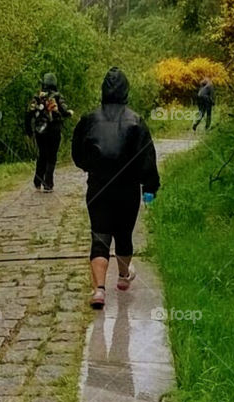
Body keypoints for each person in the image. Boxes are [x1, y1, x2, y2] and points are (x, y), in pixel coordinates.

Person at [72, 67, 160, 309]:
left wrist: (92, 167)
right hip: (127, 189)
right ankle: (122, 277)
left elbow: (77, 155)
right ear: (125, 91)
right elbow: (147, 159)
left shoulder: (88, 120)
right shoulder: (136, 121)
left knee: (99, 236)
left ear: (103, 91)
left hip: (98, 187)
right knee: (123, 234)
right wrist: (150, 187)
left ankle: (99, 290)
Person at [25, 73, 73, 192]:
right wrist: (69, 113)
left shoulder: (37, 97)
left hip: (40, 131)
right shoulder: (57, 96)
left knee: (42, 154)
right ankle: (48, 183)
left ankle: (37, 181)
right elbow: (64, 110)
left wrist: (29, 131)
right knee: (52, 156)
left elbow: (28, 115)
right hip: (54, 130)